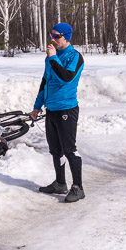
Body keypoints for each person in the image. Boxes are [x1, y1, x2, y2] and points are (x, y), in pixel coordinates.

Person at [30, 22, 85, 202]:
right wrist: (37, 106)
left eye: (56, 36)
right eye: (51, 35)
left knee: (69, 149)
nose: (52, 39)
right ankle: (60, 183)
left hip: (67, 108)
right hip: (51, 109)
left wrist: (53, 58)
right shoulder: (50, 57)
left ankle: (78, 187)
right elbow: (45, 82)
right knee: (56, 150)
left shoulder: (75, 57)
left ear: (66, 37)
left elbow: (67, 78)